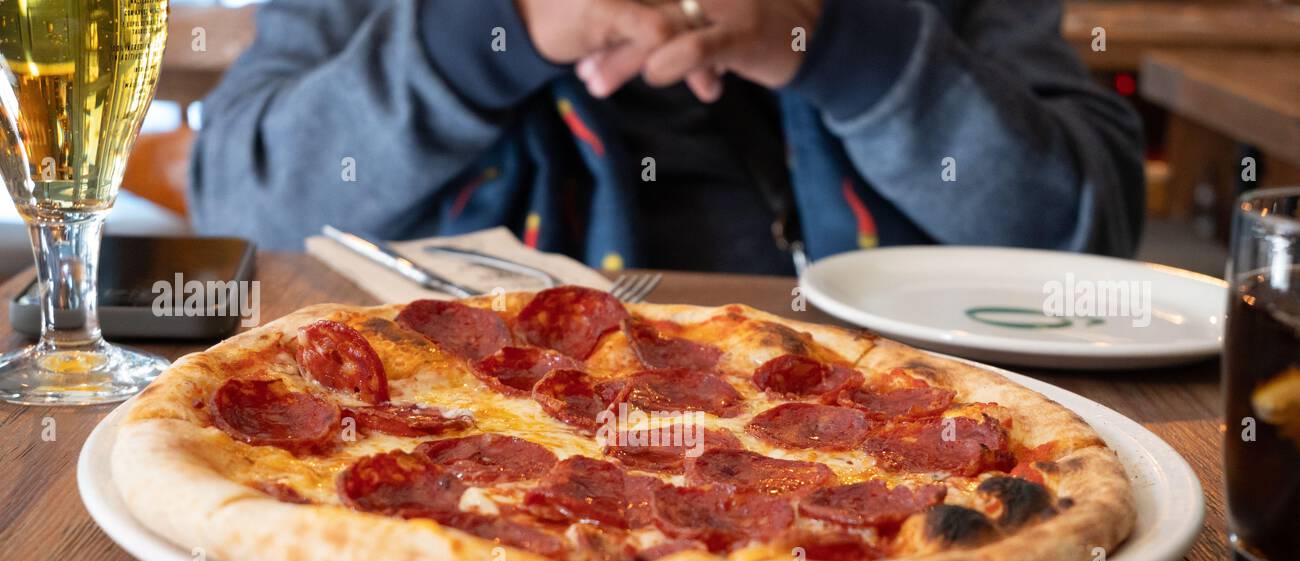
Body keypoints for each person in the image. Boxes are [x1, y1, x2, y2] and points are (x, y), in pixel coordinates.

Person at [190, 0, 1145, 275]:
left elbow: (1084, 235)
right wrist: (496, 34)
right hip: (446, 449)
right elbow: (240, 208)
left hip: (889, 467)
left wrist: (831, 39)